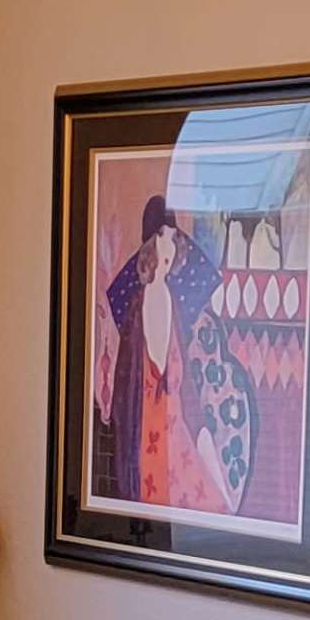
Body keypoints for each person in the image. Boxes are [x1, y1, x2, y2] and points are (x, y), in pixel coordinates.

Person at [99, 195, 219, 509]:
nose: (170, 247)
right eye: (163, 238)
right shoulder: (142, 303)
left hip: (174, 421)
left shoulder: (169, 300)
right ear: (150, 245)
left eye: (173, 239)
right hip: (150, 424)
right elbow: (135, 372)